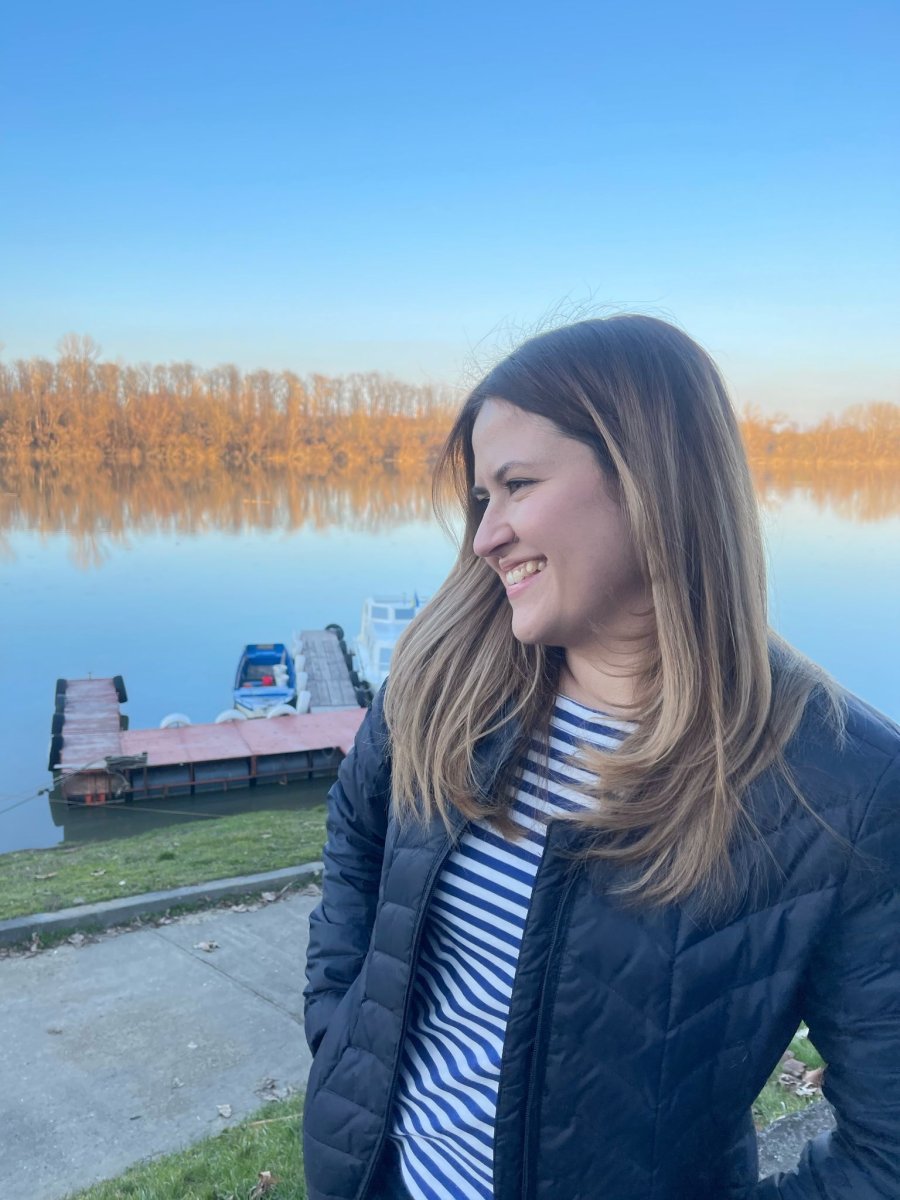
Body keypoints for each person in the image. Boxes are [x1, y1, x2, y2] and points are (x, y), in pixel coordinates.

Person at [303, 315, 900, 1200]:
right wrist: (339, 1029)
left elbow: (886, 1154)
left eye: (517, 485)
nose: (485, 536)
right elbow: (356, 842)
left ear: (649, 477)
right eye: (481, 498)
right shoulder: (440, 676)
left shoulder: (842, 785)